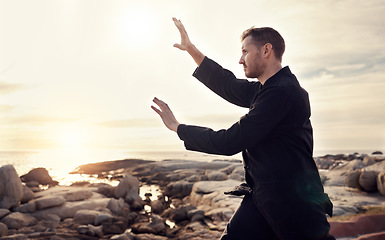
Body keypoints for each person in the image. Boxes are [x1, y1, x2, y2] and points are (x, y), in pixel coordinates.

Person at [152, 17, 335, 240]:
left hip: (294, 204)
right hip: (262, 198)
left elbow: (231, 140)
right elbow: (227, 84)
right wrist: (191, 49)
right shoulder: (267, 89)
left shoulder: (283, 93)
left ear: (266, 50)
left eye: (245, 52)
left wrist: (178, 128)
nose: (240, 60)